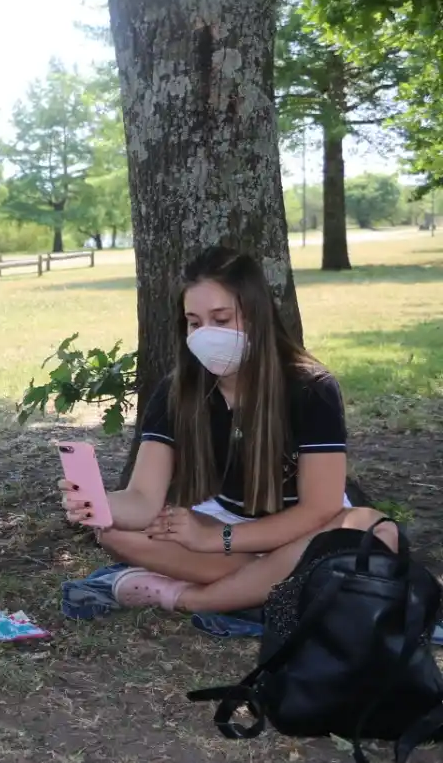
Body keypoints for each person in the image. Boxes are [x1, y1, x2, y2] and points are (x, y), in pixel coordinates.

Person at [61, 246, 396, 614]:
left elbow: (319, 509)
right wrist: (99, 504)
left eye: (221, 319)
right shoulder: (177, 392)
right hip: (224, 528)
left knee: (372, 531)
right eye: (194, 322)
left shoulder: (311, 389)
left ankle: (188, 597)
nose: (206, 334)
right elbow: (142, 499)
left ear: (256, 317)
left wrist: (216, 539)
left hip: (303, 533)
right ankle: (275, 585)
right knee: (116, 533)